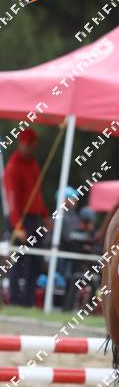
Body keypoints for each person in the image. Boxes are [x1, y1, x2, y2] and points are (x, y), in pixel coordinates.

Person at [3, 128, 50, 306]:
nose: (32, 148)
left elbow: (37, 194)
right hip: (20, 219)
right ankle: (15, 299)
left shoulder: (33, 165)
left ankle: (28, 300)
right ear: (21, 144)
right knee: (18, 261)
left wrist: (44, 215)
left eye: (34, 145)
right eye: (29, 145)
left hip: (34, 218)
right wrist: (18, 226)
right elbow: (12, 201)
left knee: (37, 261)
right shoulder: (13, 167)